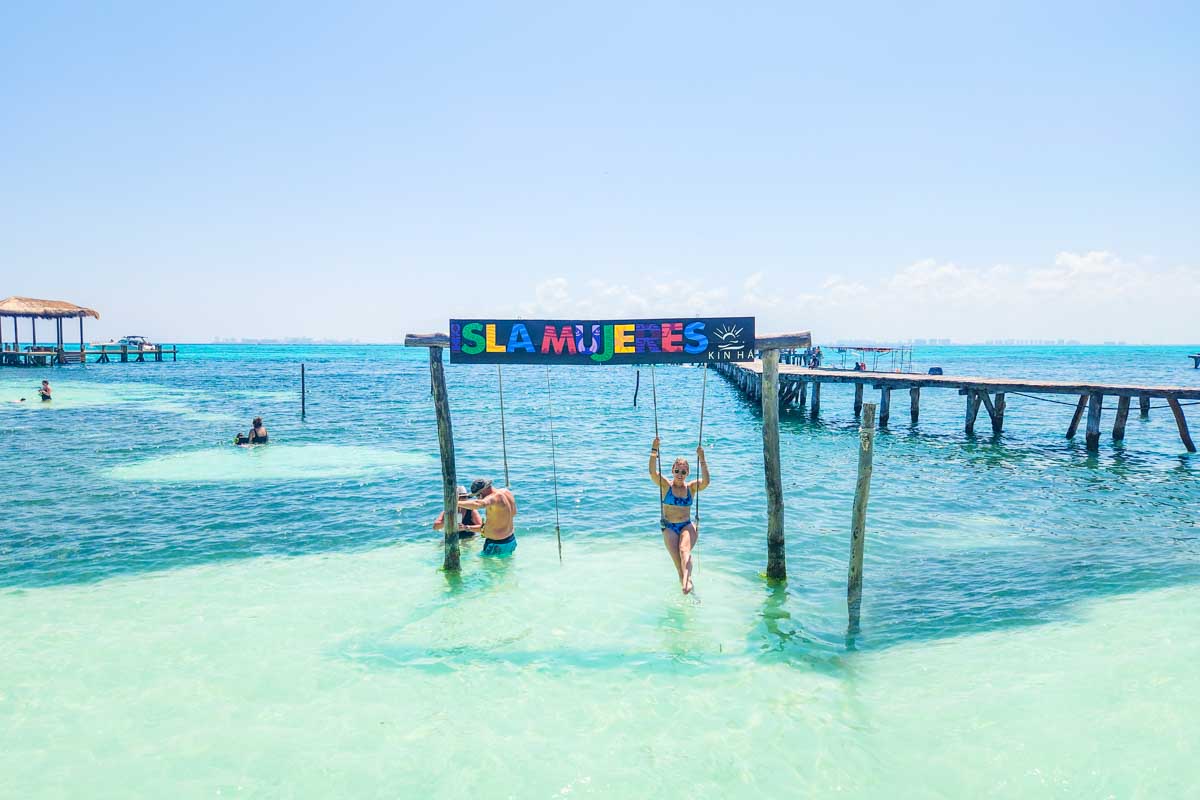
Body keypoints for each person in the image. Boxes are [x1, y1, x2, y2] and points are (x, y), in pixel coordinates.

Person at [649, 436, 709, 594]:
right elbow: (652, 473)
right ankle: (689, 591)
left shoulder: (691, 488)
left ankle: (688, 581)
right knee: (679, 566)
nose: (680, 474)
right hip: (669, 527)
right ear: (672, 471)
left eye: (683, 471)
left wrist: (702, 458)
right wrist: (654, 450)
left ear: (688, 472)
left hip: (687, 526)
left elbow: (706, 482)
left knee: (684, 550)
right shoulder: (665, 486)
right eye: (677, 471)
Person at [456, 478, 517, 556]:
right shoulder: (506, 492)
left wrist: (455, 503)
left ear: (483, 491)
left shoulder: (494, 497)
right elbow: (513, 513)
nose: (478, 498)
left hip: (496, 545)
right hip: (510, 540)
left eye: (478, 495)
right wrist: (466, 527)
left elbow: (479, 504)